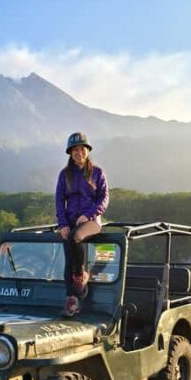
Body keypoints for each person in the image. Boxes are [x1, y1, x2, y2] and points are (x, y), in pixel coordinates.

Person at [55, 131, 109, 316]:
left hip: (92, 221)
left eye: (82, 149)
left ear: (87, 150)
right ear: (70, 153)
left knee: (75, 237)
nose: (79, 153)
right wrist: (62, 223)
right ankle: (72, 300)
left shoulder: (97, 173)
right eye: (75, 150)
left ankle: (81, 275)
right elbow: (59, 200)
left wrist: (89, 214)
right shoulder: (65, 175)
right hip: (70, 221)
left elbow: (104, 198)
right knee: (68, 258)